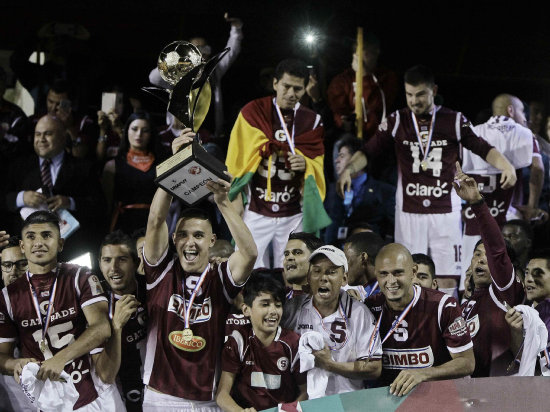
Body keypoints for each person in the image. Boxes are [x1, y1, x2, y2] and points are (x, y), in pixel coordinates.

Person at [338, 65, 516, 295]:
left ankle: (447, 322)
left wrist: (506, 166)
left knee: (447, 277)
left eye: (420, 94)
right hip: (409, 212)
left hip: (445, 211)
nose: (414, 101)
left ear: (434, 90)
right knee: (408, 275)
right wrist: (348, 169)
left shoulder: (453, 120)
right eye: (409, 95)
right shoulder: (397, 120)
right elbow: (369, 150)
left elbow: (482, 147)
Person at [141, 129, 257, 410]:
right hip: (161, 398)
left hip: (206, 400)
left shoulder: (220, 277)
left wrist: (223, 202)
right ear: (174, 239)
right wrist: (176, 164)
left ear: (212, 241)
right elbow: (156, 220)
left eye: (198, 236)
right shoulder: (161, 272)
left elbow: (250, 253)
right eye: (183, 235)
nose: (190, 242)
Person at [0, 211, 113, 410]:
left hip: (90, 397)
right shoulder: (7, 296)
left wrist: (62, 358)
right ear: (22, 246)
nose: (38, 243)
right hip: (44, 402)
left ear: (60, 244)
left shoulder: (80, 276)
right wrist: (14, 365)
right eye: (31, 237)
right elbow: (2, 356)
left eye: (47, 235)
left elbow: (102, 327)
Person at [227, 58, 329, 269]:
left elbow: (317, 163)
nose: (292, 94)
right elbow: (236, 159)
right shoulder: (252, 113)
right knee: (245, 268)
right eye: (286, 86)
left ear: (305, 89)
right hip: (256, 207)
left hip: (293, 212)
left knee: (296, 272)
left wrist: (306, 165)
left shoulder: (312, 120)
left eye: (298, 89)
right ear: (275, 84)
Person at [364, 243, 474, 396]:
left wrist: (424, 374)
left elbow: (467, 362)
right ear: (376, 274)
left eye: (398, 273)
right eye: (383, 274)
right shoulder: (369, 307)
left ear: (413, 271)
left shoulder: (443, 305)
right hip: (389, 401)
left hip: (438, 397)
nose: (391, 281)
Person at [460, 93, 544, 288]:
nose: (525, 118)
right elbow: (538, 168)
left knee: (471, 279)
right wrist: (531, 206)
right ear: (511, 110)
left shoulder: (473, 132)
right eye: (523, 112)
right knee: (505, 282)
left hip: (474, 222)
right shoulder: (523, 133)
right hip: (507, 221)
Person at [282, 245, 382, 396]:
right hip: (303, 403)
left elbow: (374, 368)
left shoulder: (359, 313)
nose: (323, 277)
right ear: (309, 278)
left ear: (344, 279)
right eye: (317, 271)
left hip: (346, 402)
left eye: (331, 272)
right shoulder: (292, 309)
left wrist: (330, 365)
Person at [454, 162, 525, 377]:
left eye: (487, 257)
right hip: (465, 393)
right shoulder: (464, 304)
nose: (482, 260)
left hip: (498, 392)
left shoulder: (503, 290)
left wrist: (476, 203)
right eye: (477, 254)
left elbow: (496, 250)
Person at [3, 114, 105, 262]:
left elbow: (100, 206)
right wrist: (21, 198)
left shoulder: (83, 168)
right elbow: (3, 199)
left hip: (71, 250)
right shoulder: (18, 167)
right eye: (38, 134)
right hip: (28, 252)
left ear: (64, 137)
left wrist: (70, 202)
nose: (41, 139)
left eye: (48, 134)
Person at [216, 274, 306, 411]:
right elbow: (222, 395)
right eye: (265, 304)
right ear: (246, 309)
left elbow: (306, 392)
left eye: (278, 305)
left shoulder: (293, 343)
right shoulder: (238, 340)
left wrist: (289, 410)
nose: (273, 311)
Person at [149, 13, 243, 139]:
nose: (202, 54)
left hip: (209, 137)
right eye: (196, 50)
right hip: (179, 136)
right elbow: (153, 78)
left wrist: (236, 28)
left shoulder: (214, 71)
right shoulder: (177, 76)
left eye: (205, 49)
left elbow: (232, 52)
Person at [94, 231, 147, 411]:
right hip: (118, 398)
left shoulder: (153, 290)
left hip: (158, 393)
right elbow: (105, 375)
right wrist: (116, 327)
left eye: (122, 259)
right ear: (99, 265)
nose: (114, 268)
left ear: (136, 263)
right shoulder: (94, 303)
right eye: (107, 260)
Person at [324, 136, 395, 244]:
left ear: (357, 159)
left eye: (342, 156)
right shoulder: (332, 190)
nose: (336, 160)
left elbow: (393, 230)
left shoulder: (384, 192)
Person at [327, 33, 398, 140]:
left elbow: (377, 106)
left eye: (364, 50)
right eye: (356, 50)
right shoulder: (341, 80)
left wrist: (364, 76)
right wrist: (343, 121)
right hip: (351, 140)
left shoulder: (387, 77)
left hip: (380, 139)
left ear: (376, 51)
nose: (359, 54)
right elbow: (338, 112)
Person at [102, 112, 162, 234]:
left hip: (153, 223)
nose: (139, 134)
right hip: (122, 224)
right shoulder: (112, 165)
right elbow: (106, 205)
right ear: (126, 131)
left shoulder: (161, 164)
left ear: (151, 134)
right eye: (134, 129)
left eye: (145, 130)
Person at [505, 252, 550, 375]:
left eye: (537, 273)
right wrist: (515, 333)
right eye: (527, 273)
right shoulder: (520, 315)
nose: (529, 279)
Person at [343, 231, 386, 300]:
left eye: (346, 260)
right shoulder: (353, 294)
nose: (343, 268)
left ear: (363, 258)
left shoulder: (387, 294)